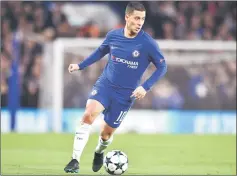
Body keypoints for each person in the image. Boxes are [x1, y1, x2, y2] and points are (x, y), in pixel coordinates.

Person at [64, 1, 167, 173]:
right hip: (105, 86)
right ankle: (74, 160)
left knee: (106, 135)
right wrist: (80, 65)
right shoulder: (113, 36)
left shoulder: (148, 43)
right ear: (127, 17)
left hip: (125, 96)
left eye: (142, 19)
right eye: (136, 18)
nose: (140, 22)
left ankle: (99, 152)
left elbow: (162, 67)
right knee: (88, 116)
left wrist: (145, 87)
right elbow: (100, 52)